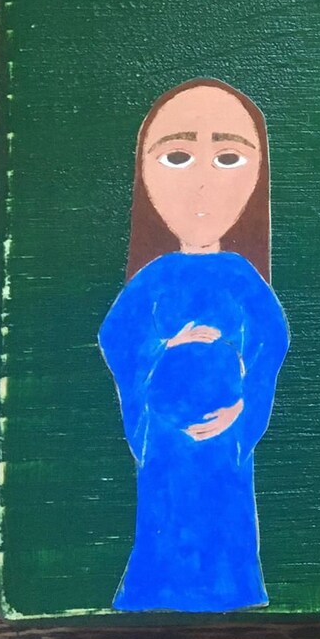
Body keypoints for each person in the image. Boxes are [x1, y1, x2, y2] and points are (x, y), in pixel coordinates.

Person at [98, 79, 289, 611]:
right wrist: (167, 344)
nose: (203, 183)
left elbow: (272, 340)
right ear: (144, 173)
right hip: (165, 436)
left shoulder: (241, 275)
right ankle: (154, 591)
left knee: (225, 513)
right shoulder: (156, 276)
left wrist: (243, 408)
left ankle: (234, 590)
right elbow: (116, 336)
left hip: (224, 436)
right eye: (178, 157)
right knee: (166, 515)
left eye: (228, 159)